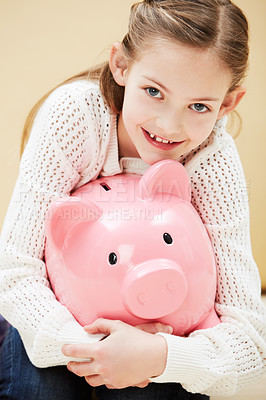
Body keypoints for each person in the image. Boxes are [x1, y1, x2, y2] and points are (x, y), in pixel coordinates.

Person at [0, 0, 265, 398]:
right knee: (37, 390)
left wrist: (159, 355)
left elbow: (250, 336)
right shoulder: (76, 117)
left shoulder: (212, 159)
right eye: (154, 91)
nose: (169, 126)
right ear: (121, 65)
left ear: (227, 104)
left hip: (161, 326)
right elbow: (15, 270)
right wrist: (94, 349)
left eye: (199, 106)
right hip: (60, 311)